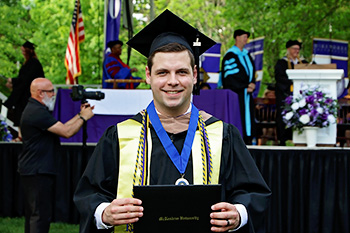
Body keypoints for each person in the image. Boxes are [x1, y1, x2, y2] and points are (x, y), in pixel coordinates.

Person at [74, 10, 271, 233]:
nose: (173, 81)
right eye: (163, 72)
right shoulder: (120, 137)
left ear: (195, 75)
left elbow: (253, 193)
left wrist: (238, 213)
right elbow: (90, 195)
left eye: (182, 72)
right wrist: (104, 213)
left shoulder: (223, 135)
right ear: (148, 75)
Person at [19, 78, 94, 233]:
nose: (54, 94)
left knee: (36, 214)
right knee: (39, 216)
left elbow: (62, 126)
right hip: (37, 170)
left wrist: (80, 114)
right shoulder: (36, 111)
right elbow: (67, 132)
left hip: (35, 169)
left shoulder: (37, 109)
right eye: (51, 91)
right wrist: (84, 117)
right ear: (40, 93)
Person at [4, 41, 45, 141]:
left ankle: (25, 136)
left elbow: (26, 79)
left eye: (23, 50)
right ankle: (21, 135)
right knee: (19, 114)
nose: (22, 52)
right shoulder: (27, 63)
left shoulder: (33, 63)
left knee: (25, 114)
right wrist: (13, 83)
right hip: (23, 95)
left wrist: (13, 80)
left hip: (29, 94)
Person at [221, 29, 256, 145]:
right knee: (239, 116)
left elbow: (252, 73)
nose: (246, 39)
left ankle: (249, 139)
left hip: (247, 93)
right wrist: (245, 86)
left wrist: (252, 84)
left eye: (247, 37)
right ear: (237, 38)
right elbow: (229, 77)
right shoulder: (230, 55)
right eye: (244, 36)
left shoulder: (247, 55)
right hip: (236, 94)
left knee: (248, 117)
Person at [274, 40, 308, 146]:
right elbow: (279, 78)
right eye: (294, 49)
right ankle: (283, 139)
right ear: (288, 49)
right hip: (286, 94)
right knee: (284, 115)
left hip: (300, 95)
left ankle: (300, 138)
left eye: (298, 49)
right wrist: (292, 82)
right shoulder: (281, 63)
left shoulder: (303, 63)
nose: (296, 51)